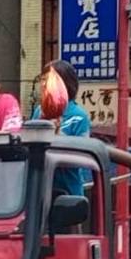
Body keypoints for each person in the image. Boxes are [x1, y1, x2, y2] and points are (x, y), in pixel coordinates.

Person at [31, 60, 91, 196]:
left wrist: (57, 135)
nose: (43, 84)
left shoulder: (79, 116)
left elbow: (82, 159)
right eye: (42, 79)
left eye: (48, 80)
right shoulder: (39, 111)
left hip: (68, 192)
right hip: (40, 189)